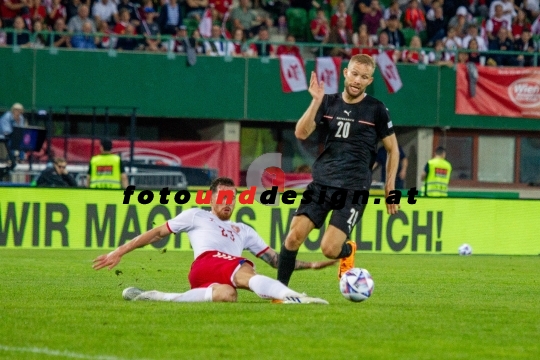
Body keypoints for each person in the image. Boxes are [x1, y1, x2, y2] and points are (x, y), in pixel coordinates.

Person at [92, 177, 334, 304]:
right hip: (205, 264)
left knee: (228, 295)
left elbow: (275, 260)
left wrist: (310, 265)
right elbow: (156, 233)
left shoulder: (243, 230)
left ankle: (158, 296)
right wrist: (120, 251)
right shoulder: (196, 215)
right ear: (212, 199)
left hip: (215, 277)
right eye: (224, 197)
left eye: (233, 198)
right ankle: (293, 297)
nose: (229, 202)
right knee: (246, 266)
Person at [276, 54, 400, 287]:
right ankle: (279, 291)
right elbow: (301, 133)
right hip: (322, 182)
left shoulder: (376, 109)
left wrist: (390, 187)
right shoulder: (328, 102)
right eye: (354, 74)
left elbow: (393, 149)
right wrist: (315, 101)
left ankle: (347, 249)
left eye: (363, 77)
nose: (357, 80)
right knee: (293, 238)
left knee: (329, 249)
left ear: (369, 80)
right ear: (345, 73)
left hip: (353, 188)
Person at [0, 102, 27, 168]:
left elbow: (21, 129)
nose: (19, 113)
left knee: (22, 139)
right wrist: (16, 134)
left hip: (14, 135)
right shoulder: (6, 117)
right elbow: (6, 131)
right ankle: (10, 158)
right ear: (13, 110)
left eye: (20, 111)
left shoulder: (21, 117)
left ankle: (21, 158)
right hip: (3, 135)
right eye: (17, 110)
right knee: (11, 140)